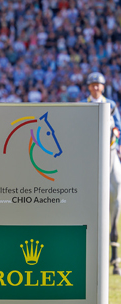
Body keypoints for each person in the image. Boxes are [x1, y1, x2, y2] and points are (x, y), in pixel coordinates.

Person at [82, 72, 121, 274]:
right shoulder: (83, 104)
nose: (96, 88)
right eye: (93, 85)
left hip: (110, 151)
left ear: (103, 87)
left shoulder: (112, 104)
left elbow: (119, 128)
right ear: (89, 88)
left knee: (117, 182)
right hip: (90, 154)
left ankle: (115, 258)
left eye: (99, 85)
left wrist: (114, 138)